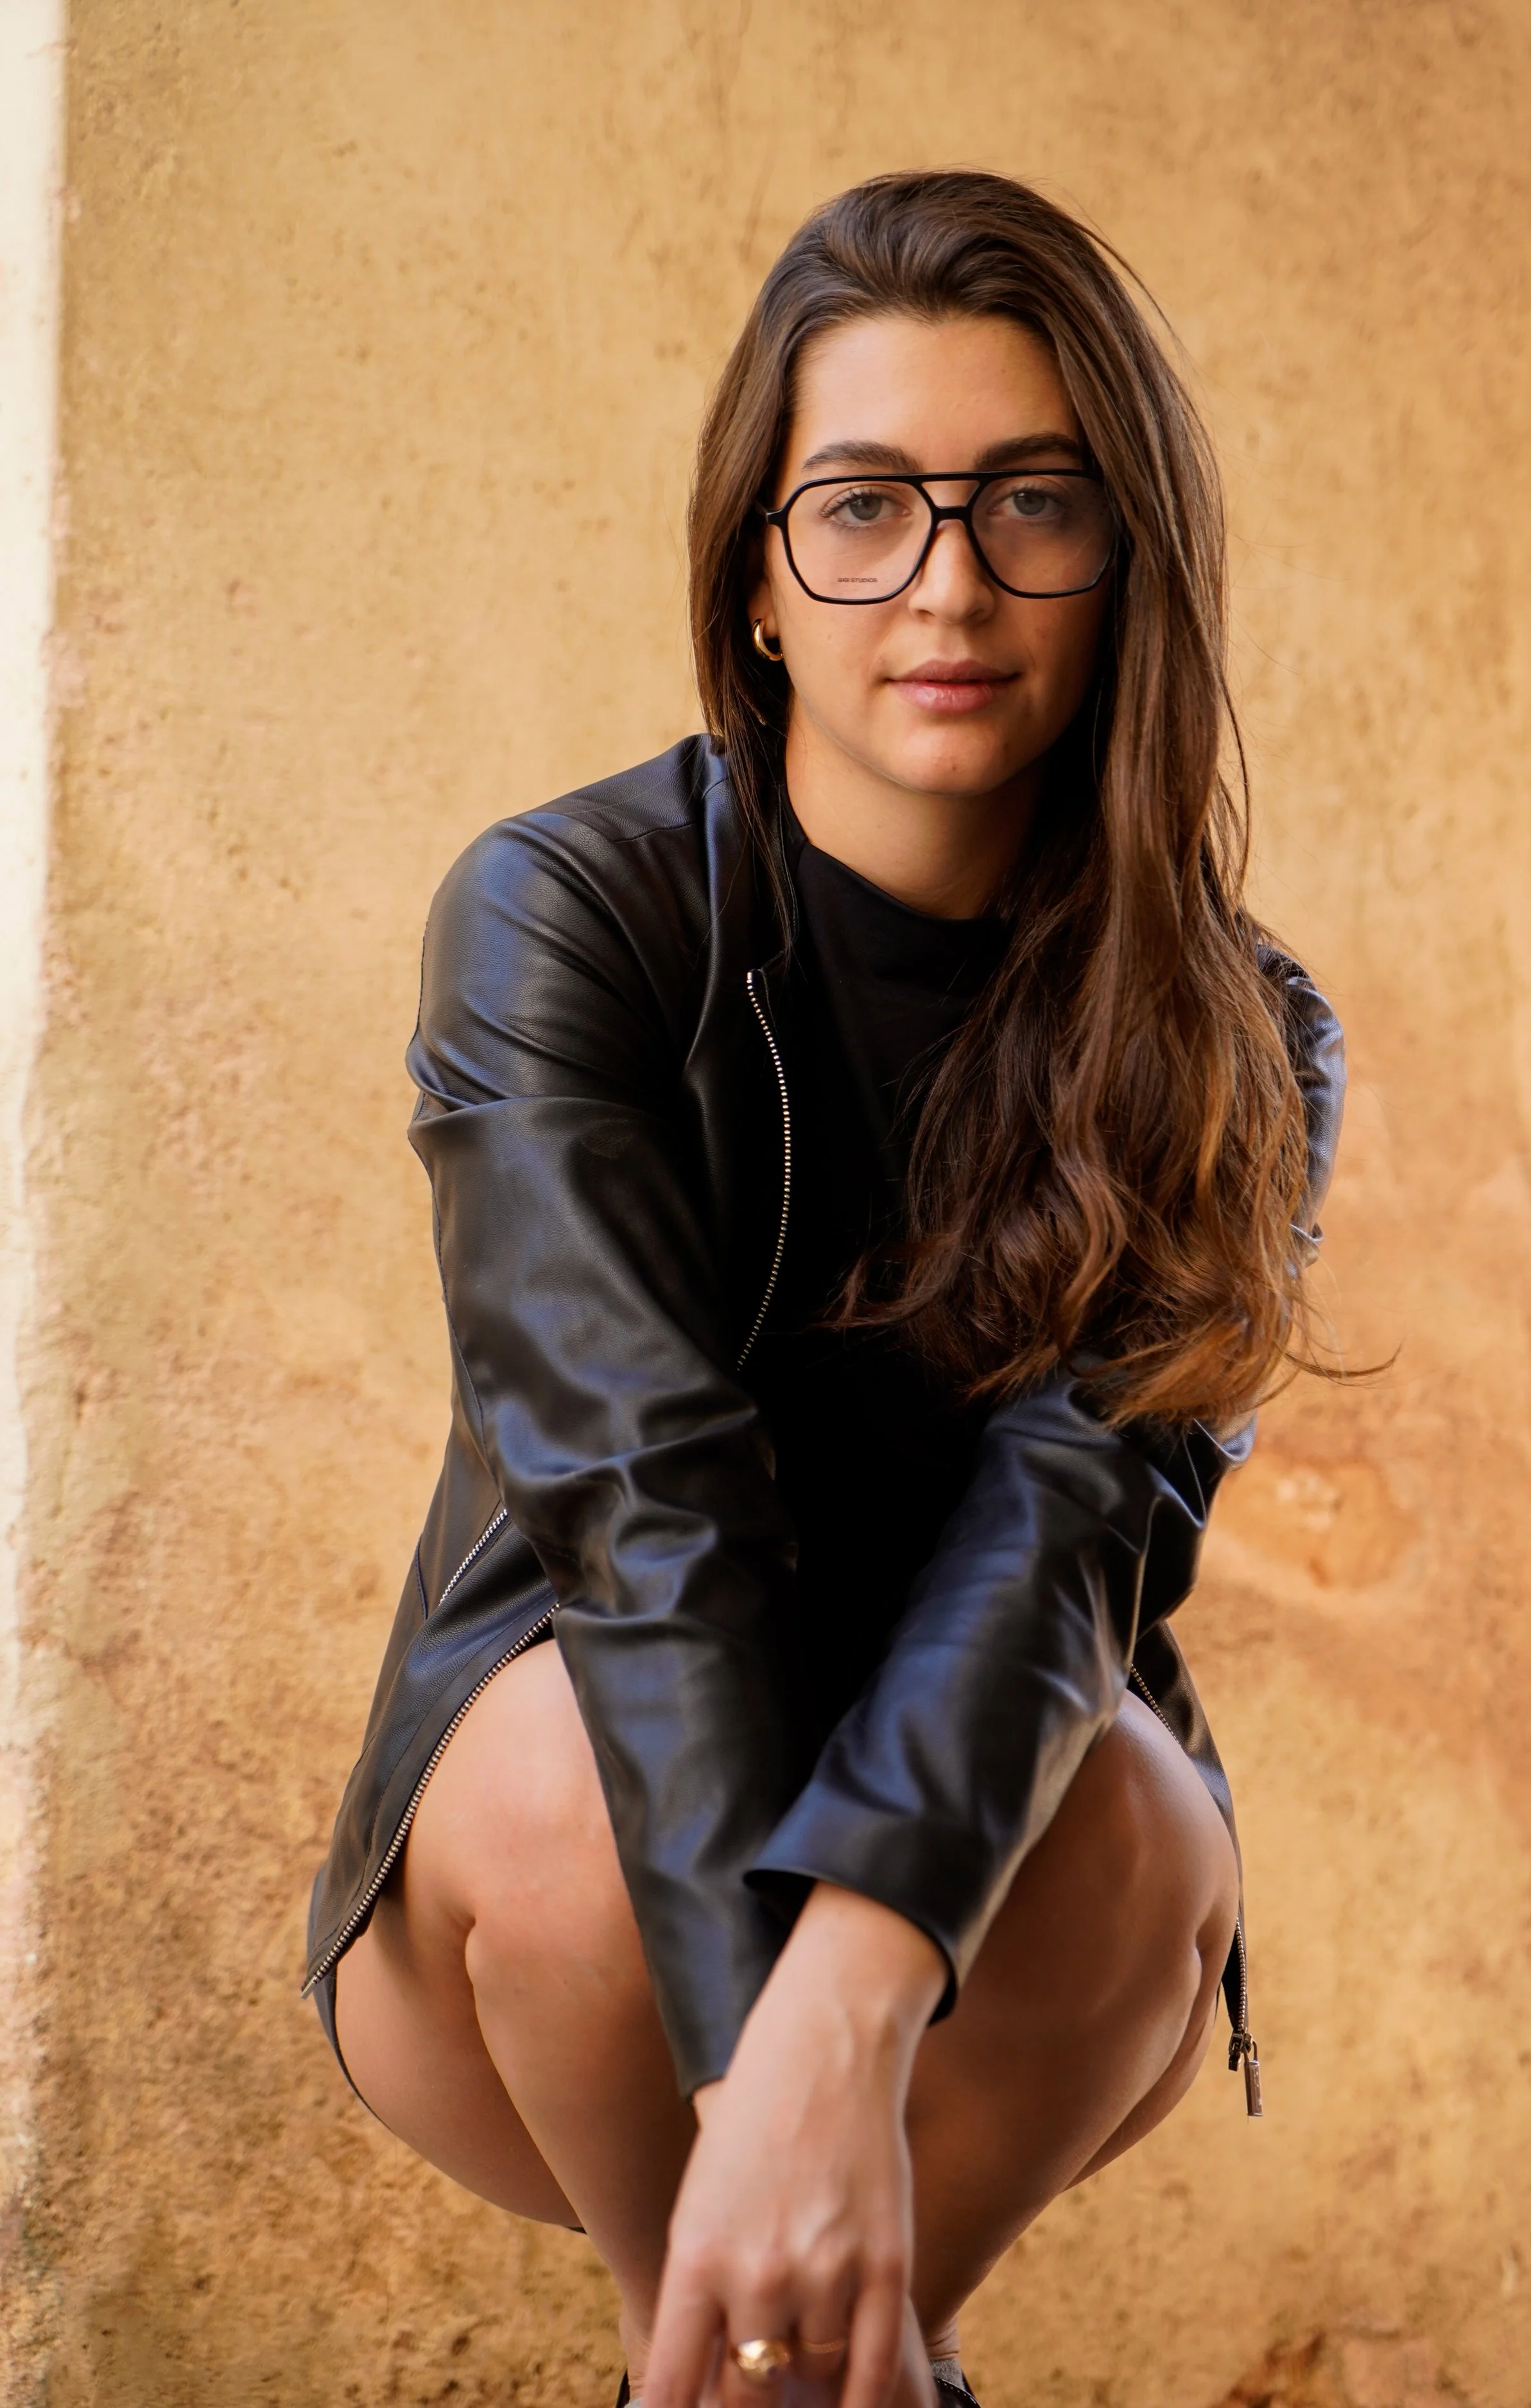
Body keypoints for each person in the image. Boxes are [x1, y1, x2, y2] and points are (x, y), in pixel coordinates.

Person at [303, 168, 1344, 2408]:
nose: (946, 582)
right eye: (863, 505)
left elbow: (1070, 1538)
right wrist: (758, 2069)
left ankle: (753, 2367)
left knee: (1135, 1795)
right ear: (759, 582)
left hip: (993, 1926)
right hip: (541, 1895)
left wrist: (840, 2011)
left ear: (1125, 562)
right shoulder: (567, 915)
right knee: (577, 1764)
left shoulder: (1236, 1031)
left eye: (1031, 502)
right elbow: (642, 1503)